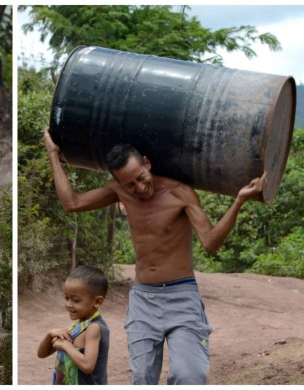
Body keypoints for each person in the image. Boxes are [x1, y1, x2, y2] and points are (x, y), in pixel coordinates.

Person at [43, 128, 267, 385]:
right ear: (118, 182)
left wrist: (238, 201)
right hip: (143, 301)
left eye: (141, 177)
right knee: (142, 379)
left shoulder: (180, 192)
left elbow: (211, 242)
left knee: (189, 376)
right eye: (129, 184)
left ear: (147, 163)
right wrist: (53, 153)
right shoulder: (119, 191)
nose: (139, 188)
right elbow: (72, 203)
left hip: (182, 297)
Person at [37, 265, 110, 385]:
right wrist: (50, 335)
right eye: (67, 298)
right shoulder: (75, 327)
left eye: (75, 300)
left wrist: (66, 346)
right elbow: (42, 354)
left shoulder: (94, 328)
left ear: (97, 302)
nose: (68, 304)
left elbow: (87, 365)